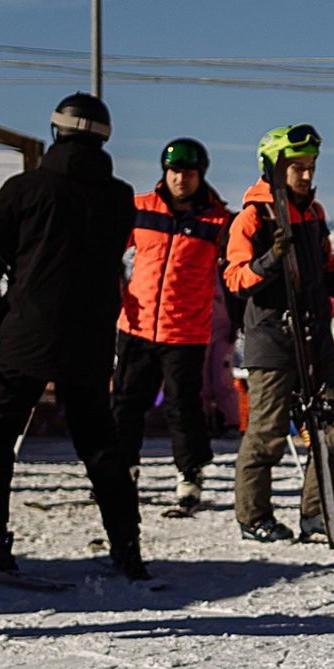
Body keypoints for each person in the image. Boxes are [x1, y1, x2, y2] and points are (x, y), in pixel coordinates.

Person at [0, 95, 146, 578]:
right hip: (92, 337)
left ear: (56, 132)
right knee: (99, 440)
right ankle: (127, 543)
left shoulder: (27, 188)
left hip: (30, 331)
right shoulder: (120, 197)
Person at [223, 126, 334, 541]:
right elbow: (234, 278)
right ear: (274, 167)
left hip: (314, 336)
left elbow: (324, 271)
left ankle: (320, 513)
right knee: (266, 433)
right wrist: (270, 260)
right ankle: (253, 517)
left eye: (310, 167)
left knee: (332, 428)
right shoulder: (251, 217)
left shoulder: (314, 214)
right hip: (272, 340)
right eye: (296, 167)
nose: (305, 175)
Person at [111, 137, 231, 514]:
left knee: (183, 407)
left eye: (189, 173)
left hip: (185, 331)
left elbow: (235, 266)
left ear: (201, 175)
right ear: (165, 172)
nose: (181, 179)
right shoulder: (141, 209)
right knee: (126, 404)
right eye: (175, 171)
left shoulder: (217, 220)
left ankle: (189, 474)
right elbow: (110, 249)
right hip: (136, 325)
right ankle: (121, 472)